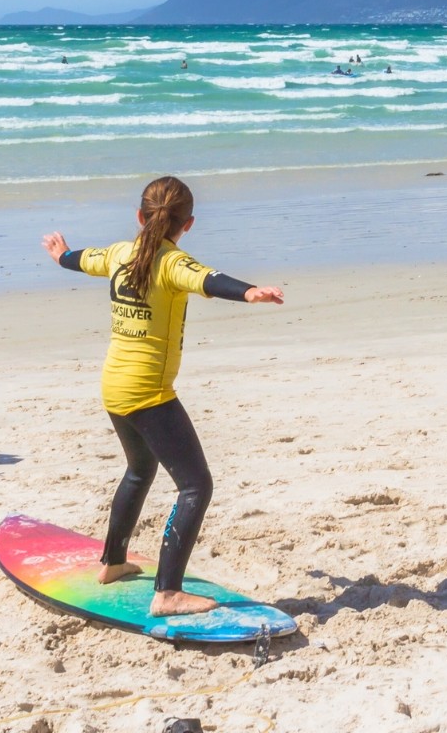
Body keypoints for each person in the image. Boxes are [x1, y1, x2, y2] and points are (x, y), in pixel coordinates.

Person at [40, 177, 284, 613]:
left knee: (139, 469)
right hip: (149, 392)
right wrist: (249, 293)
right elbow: (210, 280)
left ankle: (113, 562)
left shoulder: (118, 254)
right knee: (195, 486)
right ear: (187, 224)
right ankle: (167, 592)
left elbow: (80, 260)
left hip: (114, 385)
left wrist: (61, 256)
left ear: (139, 216)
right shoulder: (173, 262)